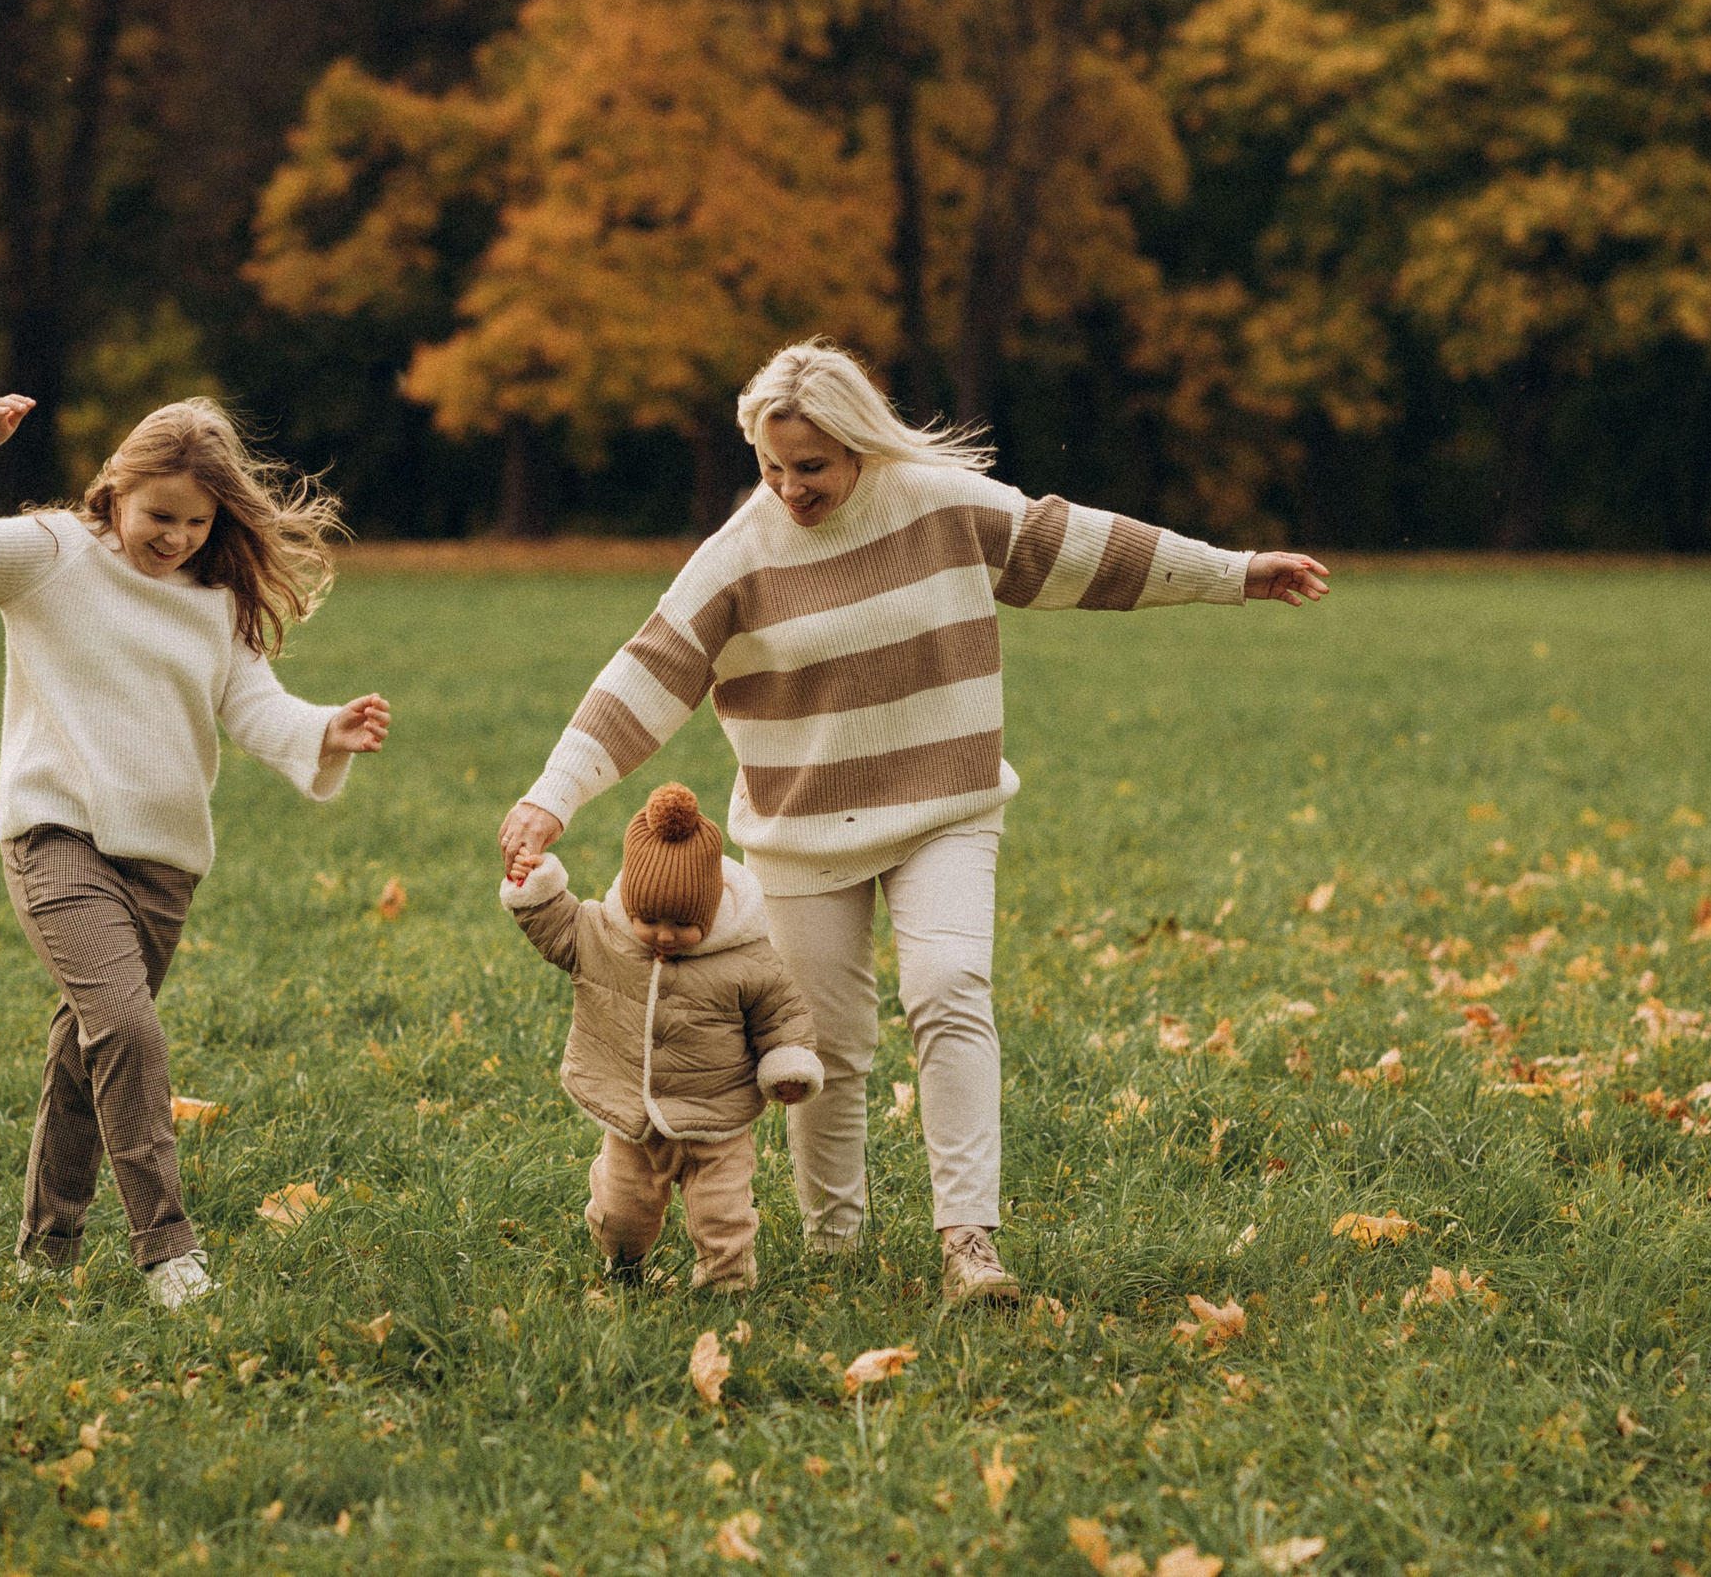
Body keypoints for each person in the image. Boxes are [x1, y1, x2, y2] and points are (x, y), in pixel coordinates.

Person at [497, 341, 1327, 1303]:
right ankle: (835, 1246)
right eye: (771, 467)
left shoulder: (941, 506)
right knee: (823, 1045)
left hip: (947, 806)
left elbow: (1081, 546)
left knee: (950, 987)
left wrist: (1234, 571)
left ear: (859, 445)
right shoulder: (738, 557)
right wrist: (550, 796)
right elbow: (646, 674)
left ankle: (969, 1242)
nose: (790, 489)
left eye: (812, 466)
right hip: (801, 829)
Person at [0, 393, 390, 1309]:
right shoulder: (54, 554)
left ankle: (46, 1252)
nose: (176, 538)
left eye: (197, 523)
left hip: (163, 865)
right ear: (116, 489)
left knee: (88, 1051)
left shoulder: (214, 602)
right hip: (56, 833)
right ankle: (167, 1249)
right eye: (160, 515)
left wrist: (326, 730)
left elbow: (255, 708)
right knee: (127, 1029)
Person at [502, 783, 823, 1292]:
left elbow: (781, 1013)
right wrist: (534, 884)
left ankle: (727, 1287)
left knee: (722, 1214)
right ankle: (624, 1268)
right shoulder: (605, 936)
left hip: (717, 1119)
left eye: (684, 923)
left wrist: (787, 1064)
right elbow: (557, 926)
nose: (664, 934)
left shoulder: (746, 956)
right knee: (620, 1211)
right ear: (630, 903)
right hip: (634, 1118)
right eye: (649, 919)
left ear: (712, 909)